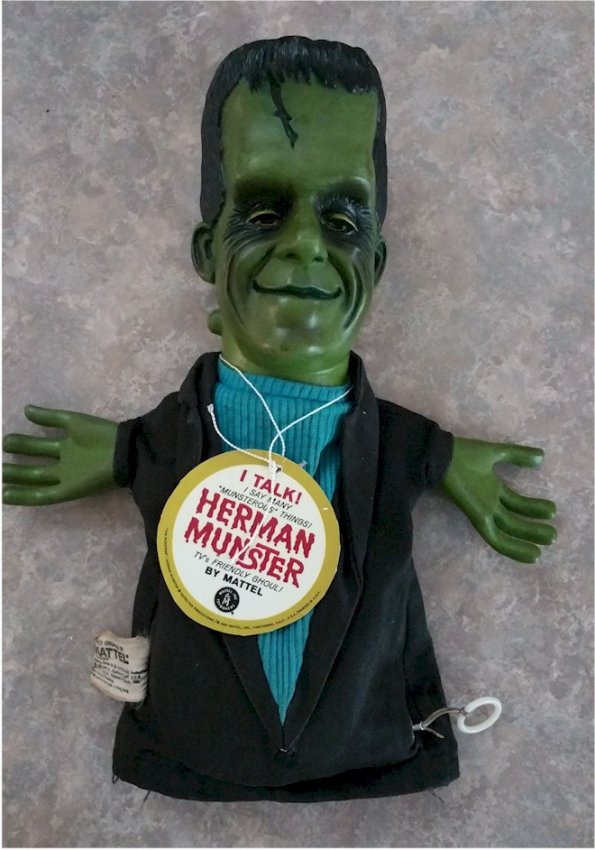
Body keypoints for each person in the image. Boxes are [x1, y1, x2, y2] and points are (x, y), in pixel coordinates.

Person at [2, 36, 556, 801]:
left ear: (377, 261)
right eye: (263, 212)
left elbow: (407, 449)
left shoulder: (398, 446)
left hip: (371, 744)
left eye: (343, 219)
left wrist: (444, 457)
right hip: (189, 747)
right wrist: (122, 449)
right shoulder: (170, 438)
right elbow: (149, 450)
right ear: (207, 249)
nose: (303, 245)